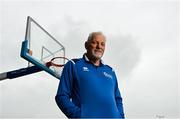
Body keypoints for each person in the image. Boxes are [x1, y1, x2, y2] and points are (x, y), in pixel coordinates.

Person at [55, 32, 125, 118]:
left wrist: (120, 117)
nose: (99, 47)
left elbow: (118, 99)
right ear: (86, 45)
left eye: (102, 44)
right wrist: (80, 116)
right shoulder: (73, 65)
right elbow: (61, 96)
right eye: (95, 42)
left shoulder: (110, 71)